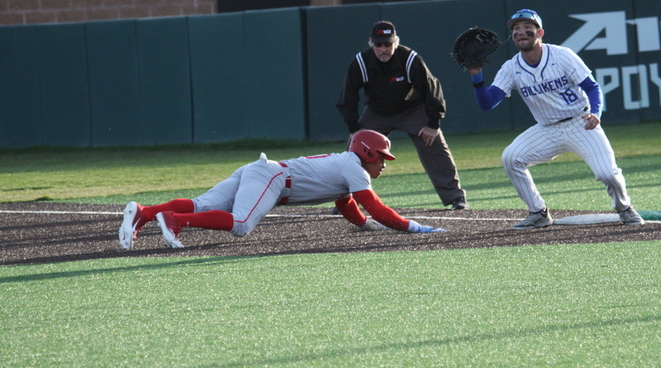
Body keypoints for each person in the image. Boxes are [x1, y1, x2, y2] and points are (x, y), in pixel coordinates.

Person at [118, 130, 446, 250]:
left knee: (202, 204)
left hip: (263, 171)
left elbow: (347, 204)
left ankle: (144, 214)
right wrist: (412, 227)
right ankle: (175, 221)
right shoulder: (354, 167)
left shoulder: (346, 167)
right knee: (241, 223)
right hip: (274, 178)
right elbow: (374, 205)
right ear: (368, 153)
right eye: (383, 157)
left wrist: (364, 225)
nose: (384, 163)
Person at [465, 9, 644, 229]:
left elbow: (591, 87)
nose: (521, 32)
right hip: (547, 129)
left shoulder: (561, 55)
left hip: (581, 123)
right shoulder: (511, 67)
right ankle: (538, 212)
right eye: (516, 29)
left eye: (527, 28)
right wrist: (476, 76)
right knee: (511, 157)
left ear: (540, 32)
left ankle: (624, 208)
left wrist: (595, 113)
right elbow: (487, 103)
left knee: (607, 173)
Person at [336, 20, 468, 210]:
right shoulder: (361, 61)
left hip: (412, 110)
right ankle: (347, 199)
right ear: (371, 43)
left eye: (388, 44)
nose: (383, 49)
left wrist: (433, 123)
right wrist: (354, 129)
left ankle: (456, 197)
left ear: (396, 42)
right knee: (354, 151)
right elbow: (347, 96)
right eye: (378, 44)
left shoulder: (409, 58)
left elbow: (431, 88)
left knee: (435, 146)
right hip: (377, 112)